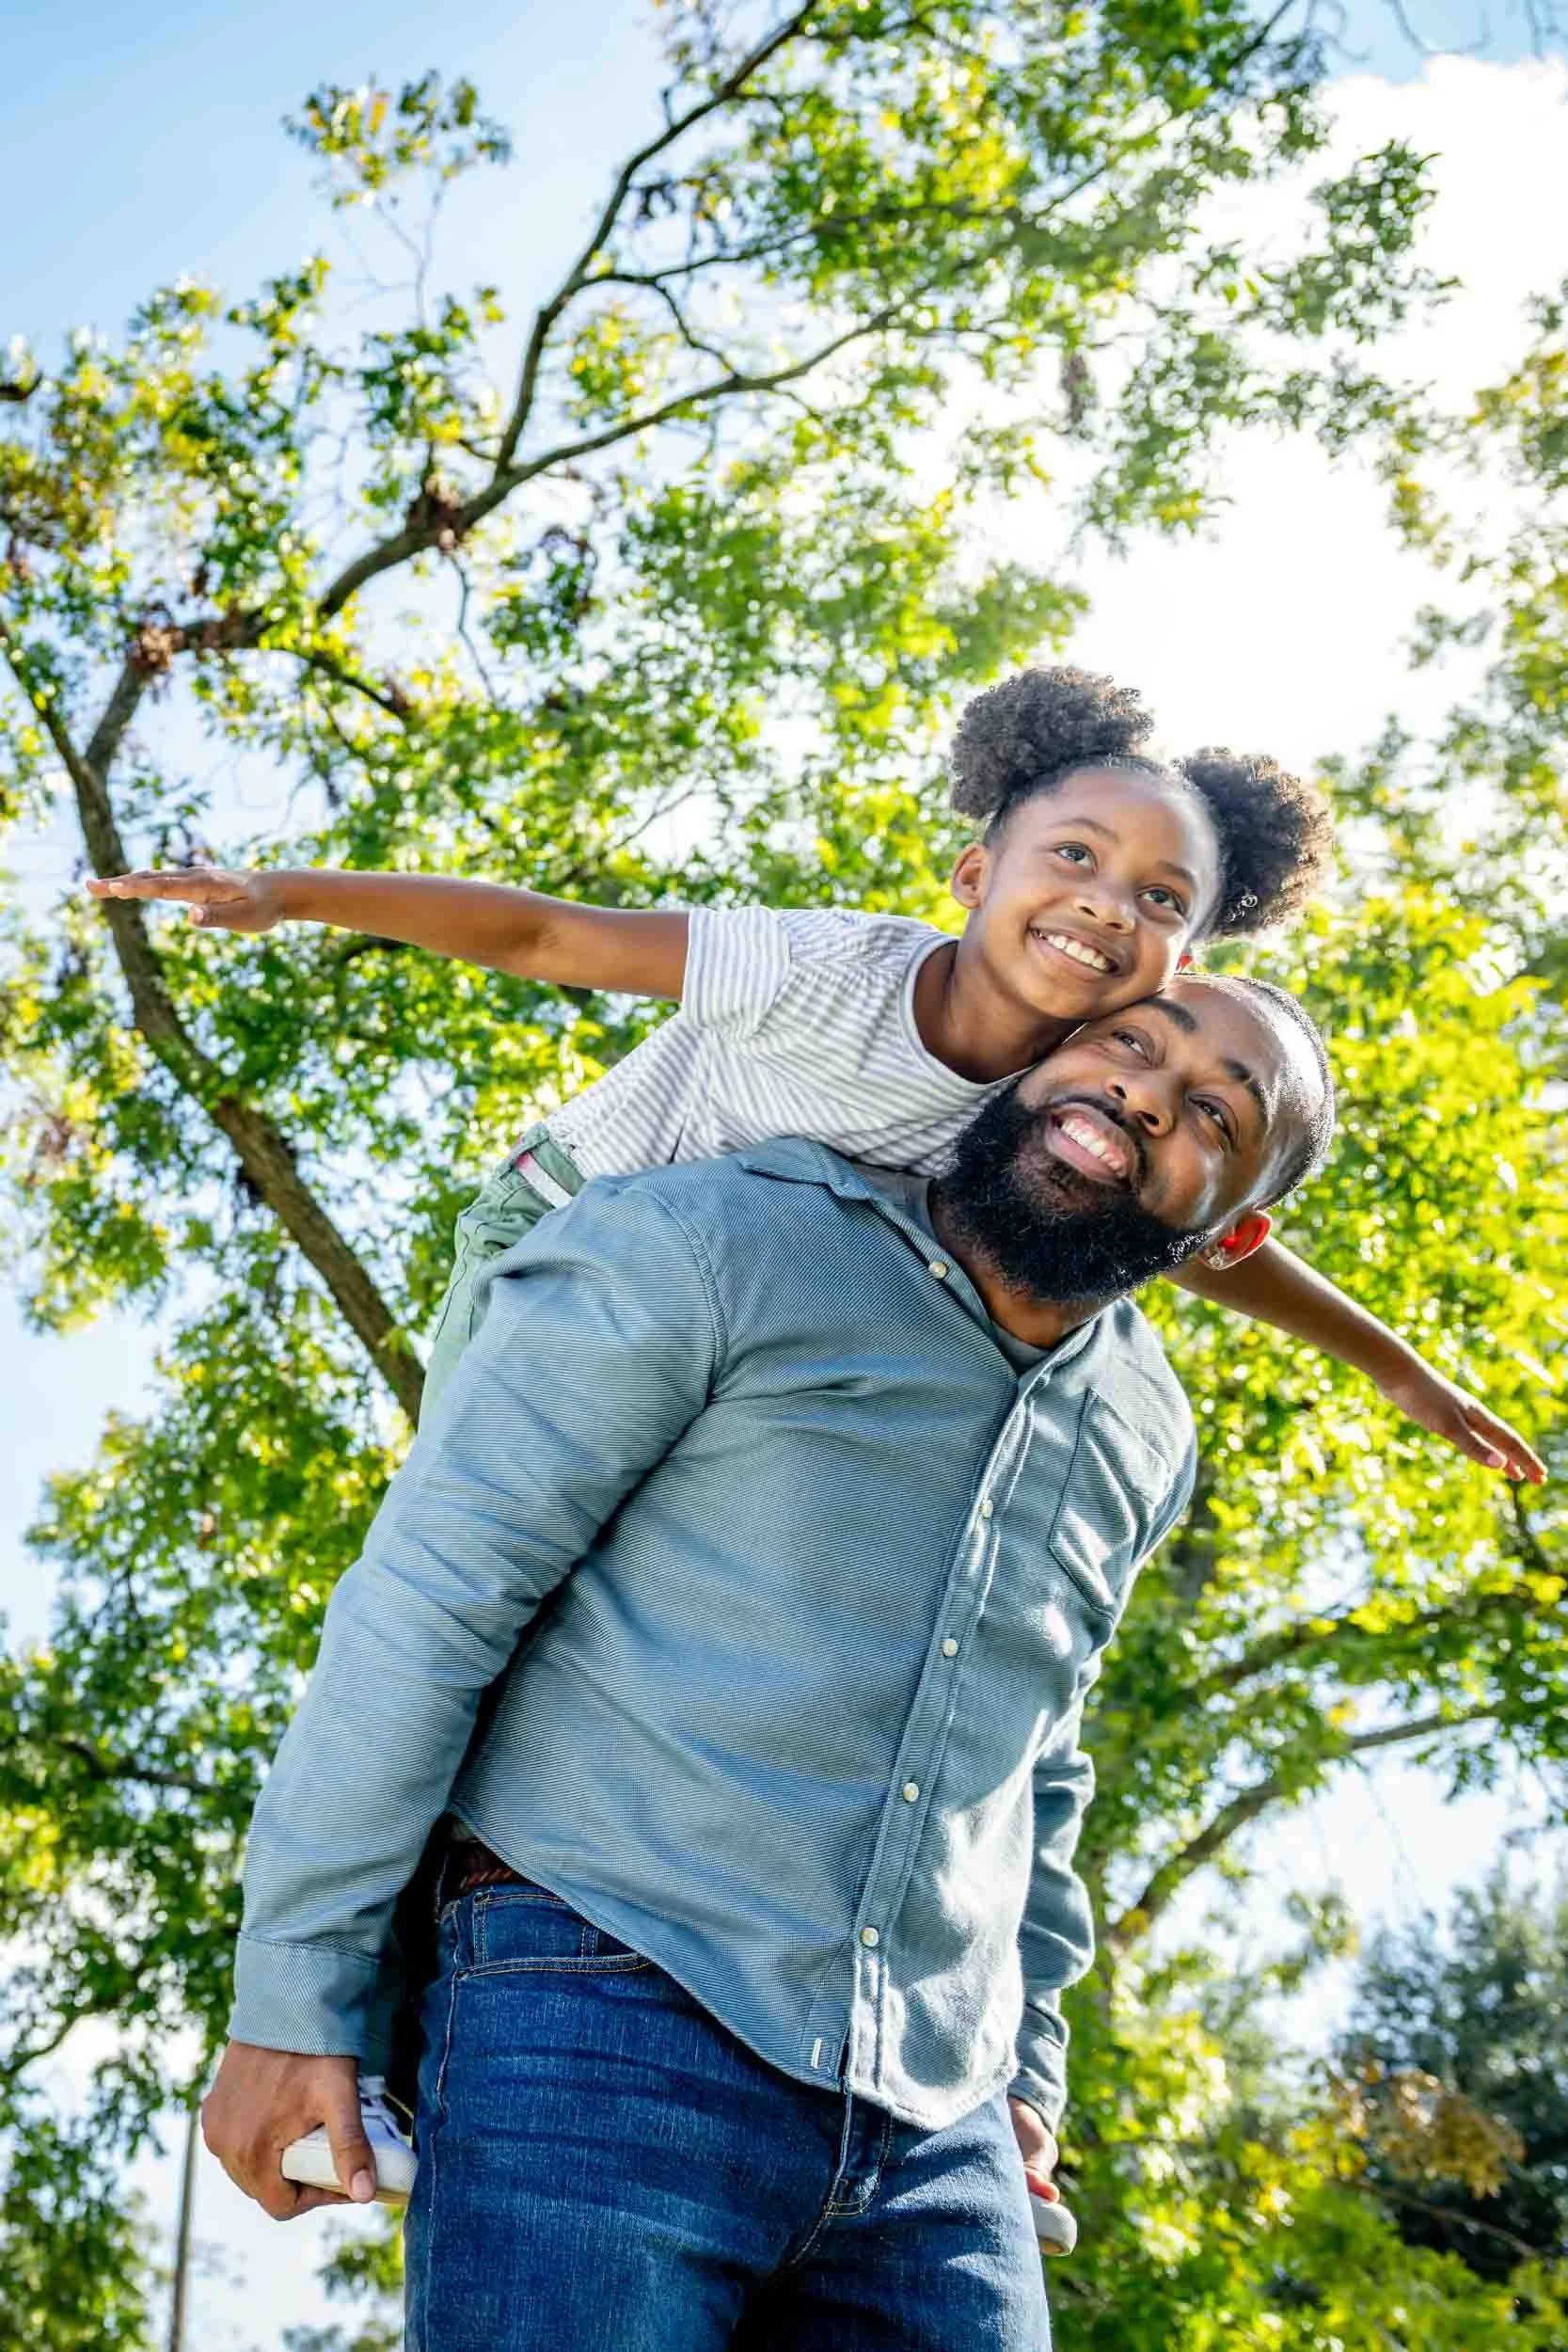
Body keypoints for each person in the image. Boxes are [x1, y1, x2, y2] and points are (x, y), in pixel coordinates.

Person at [205, 972, 1337, 2350]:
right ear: (1033, 1062)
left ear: (1235, 1233)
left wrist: (1027, 2068)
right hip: (593, 2009)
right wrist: (291, 1994)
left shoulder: (1143, 1431)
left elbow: (1040, 1762)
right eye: (1127, 1043)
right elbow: (433, 1600)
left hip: (940, 2126)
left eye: (1213, 1111)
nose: (1148, 1092)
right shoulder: (713, 1235)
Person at [90, 665, 1540, 1478]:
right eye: (1077, 860)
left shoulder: (1071, 1101)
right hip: (566, 1224)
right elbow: (543, 933)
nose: (1113, 903)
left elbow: (1192, 1245)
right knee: (485, 1511)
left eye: (1165, 903)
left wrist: (1397, 1374)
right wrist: (285, 894)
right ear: (977, 873)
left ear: (1187, 963)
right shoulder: (817, 967)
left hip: (732, 1304)